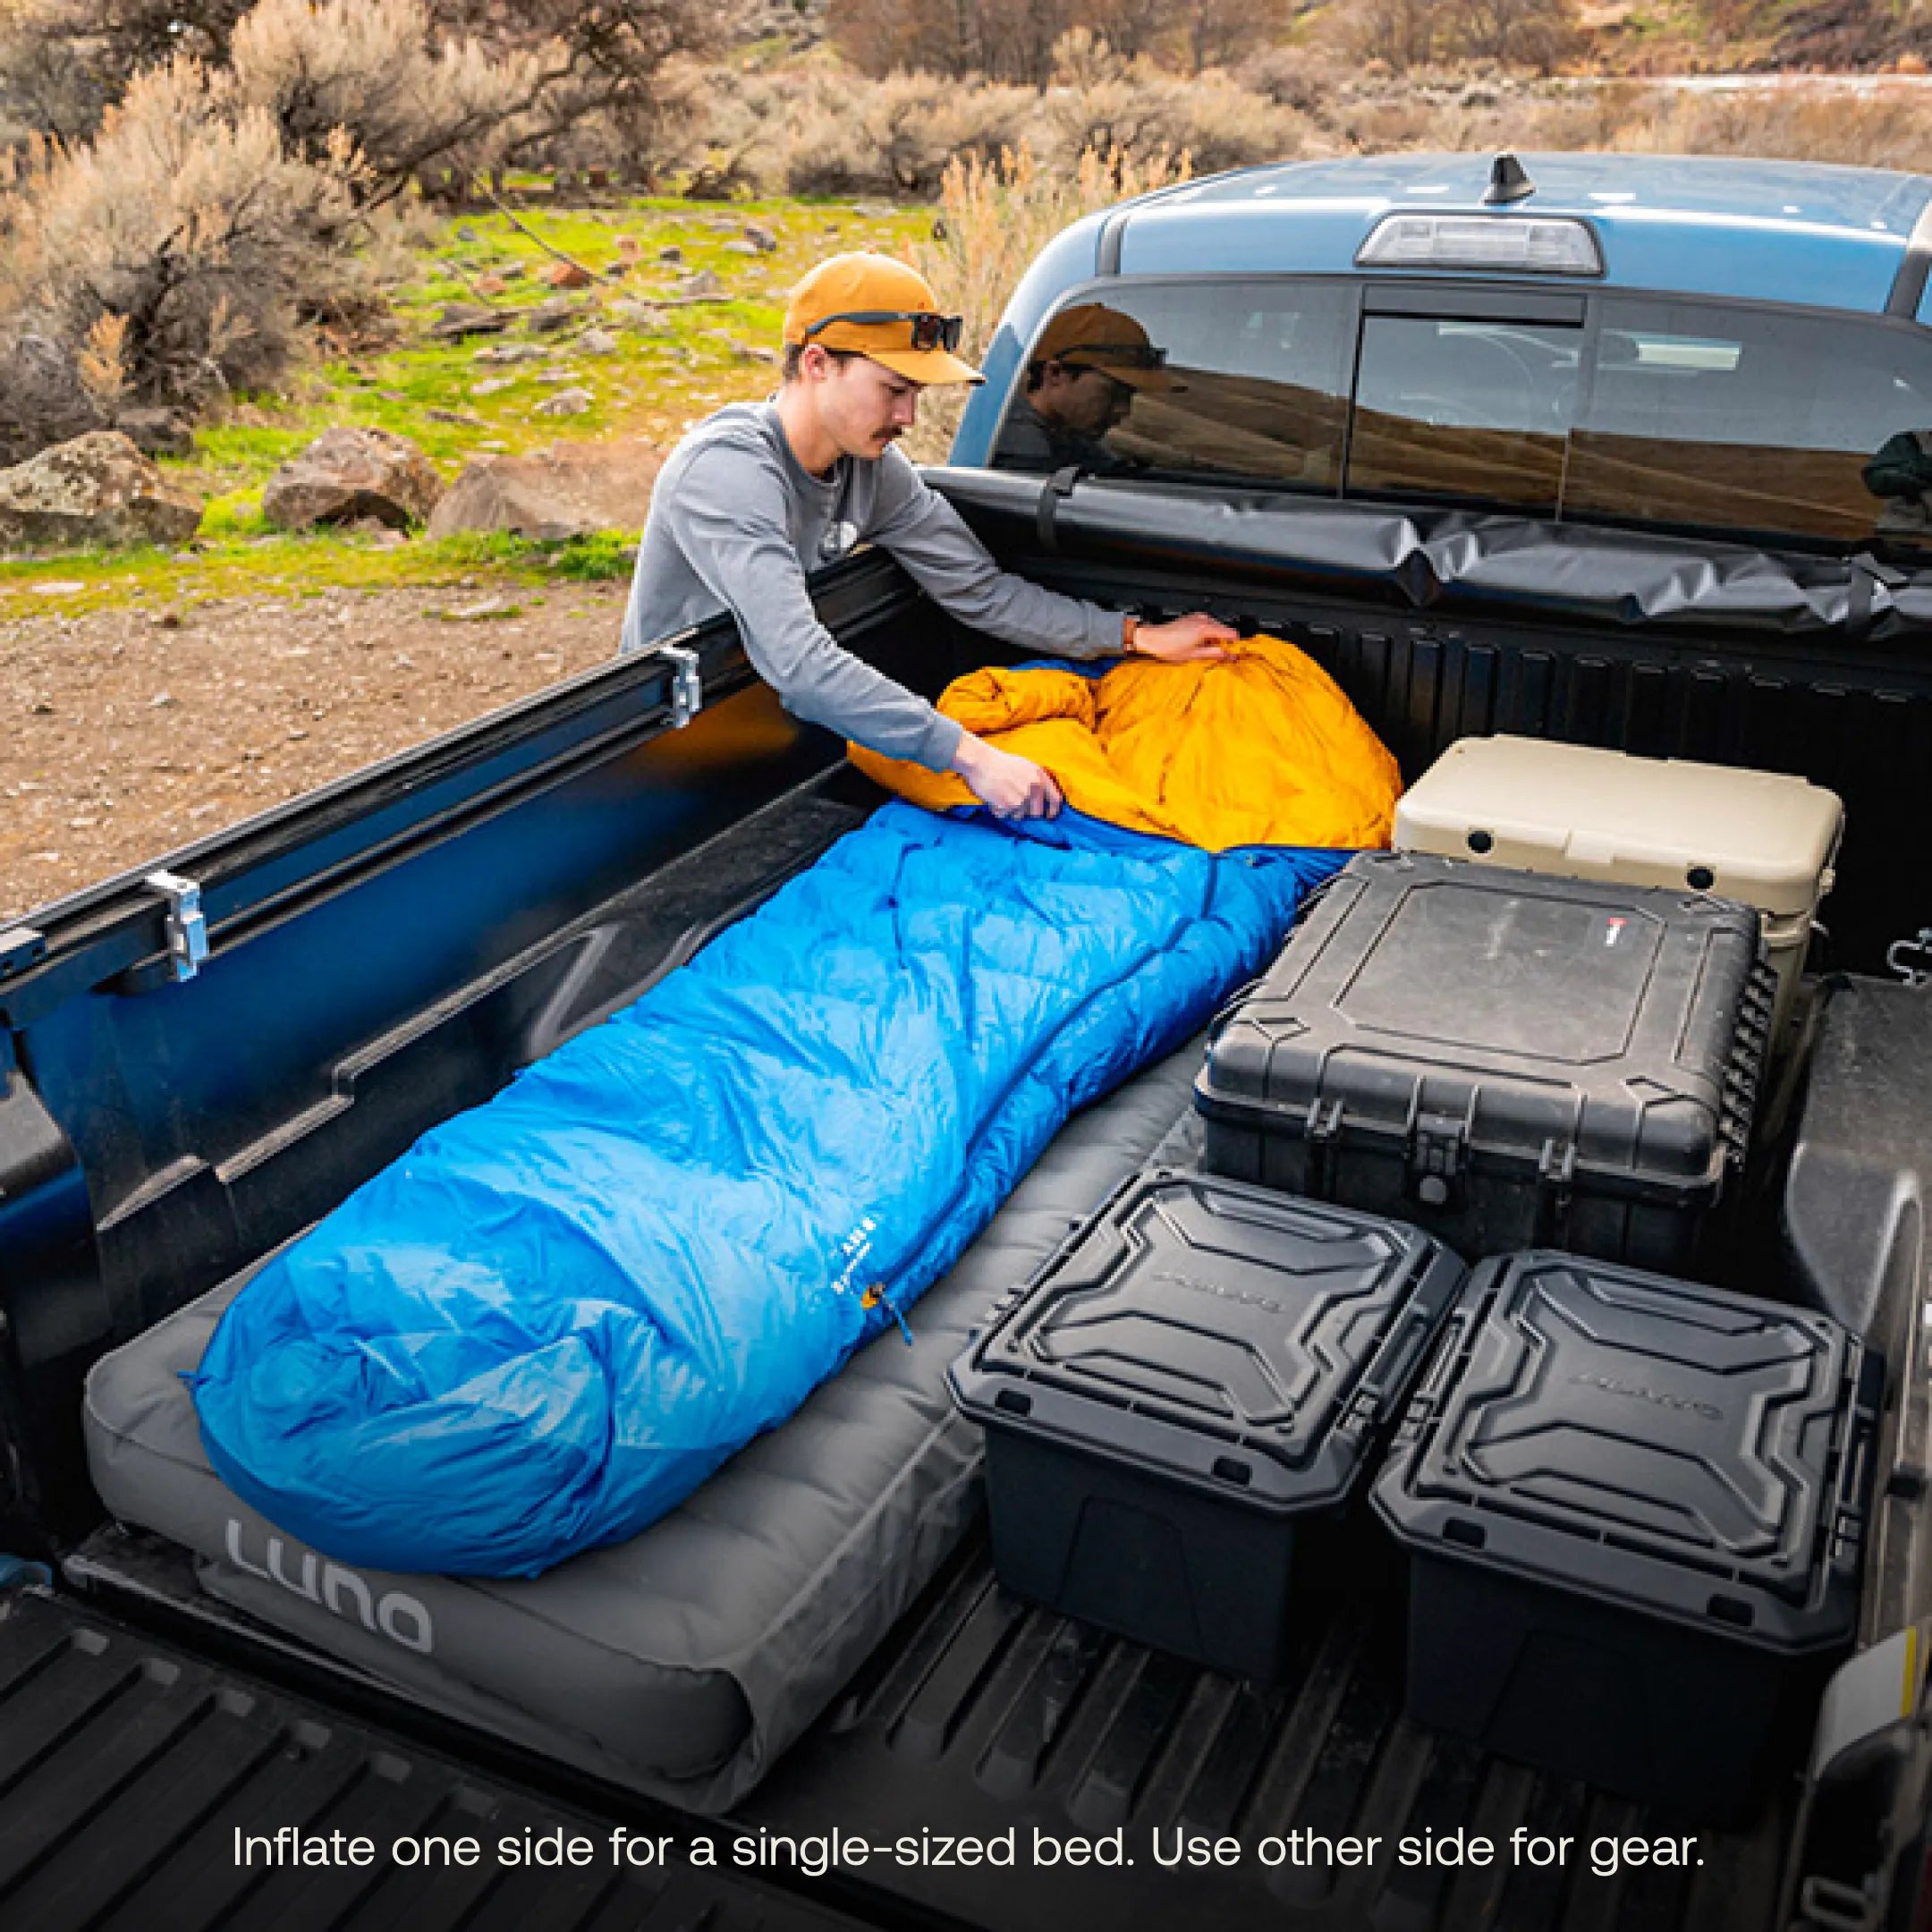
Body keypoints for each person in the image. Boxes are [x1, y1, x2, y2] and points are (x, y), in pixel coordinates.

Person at [619, 254, 1233, 820]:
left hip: (774, 736)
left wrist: (1134, 636)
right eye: (894, 390)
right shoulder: (727, 472)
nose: (909, 419)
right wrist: (972, 757)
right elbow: (801, 665)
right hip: (667, 757)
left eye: (915, 395)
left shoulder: (874, 470)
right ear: (816, 363)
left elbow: (981, 592)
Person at [993, 302, 1182, 477]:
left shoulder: (1069, 436)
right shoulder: (1019, 453)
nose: (1124, 410)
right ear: (1055, 374)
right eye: (1112, 394)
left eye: (1128, 395)